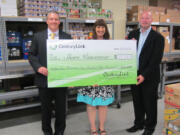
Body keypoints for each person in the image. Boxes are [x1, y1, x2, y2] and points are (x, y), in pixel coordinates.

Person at [28, 11, 71, 135]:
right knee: (45, 109)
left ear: (59, 21)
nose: (53, 21)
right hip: (44, 79)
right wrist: (38, 67)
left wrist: (72, 78)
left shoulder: (66, 37)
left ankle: (59, 132)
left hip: (61, 79)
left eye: (56, 19)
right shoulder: (38, 36)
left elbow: (72, 57)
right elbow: (31, 55)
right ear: (47, 21)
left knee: (61, 110)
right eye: (51, 19)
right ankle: (47, 132)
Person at [126, 11, 164, 135]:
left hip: (149, 76)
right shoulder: (133, 34)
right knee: (137, 102)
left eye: (147, 18)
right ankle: (138, 123)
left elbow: (155, 60)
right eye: (142, 18)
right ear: (139, 20)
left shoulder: (158, 38)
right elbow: (125, 52)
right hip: (134, 73)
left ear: (151, 20)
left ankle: (150, 127)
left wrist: (144, 75)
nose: (145, 20)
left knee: (150, 103)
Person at [77, 19, 114, 135]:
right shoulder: (87, 42)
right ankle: (93, 128)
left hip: (104, 79)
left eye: (103, 27)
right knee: (91, 104)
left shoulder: (110, 43)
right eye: (98, 27)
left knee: (103, 104)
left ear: (105, 29)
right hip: (90, 79)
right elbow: (83, 60)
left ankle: (102, 127)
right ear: (94, 29)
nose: (100, 29)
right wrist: (91, 78)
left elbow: (113, 60)